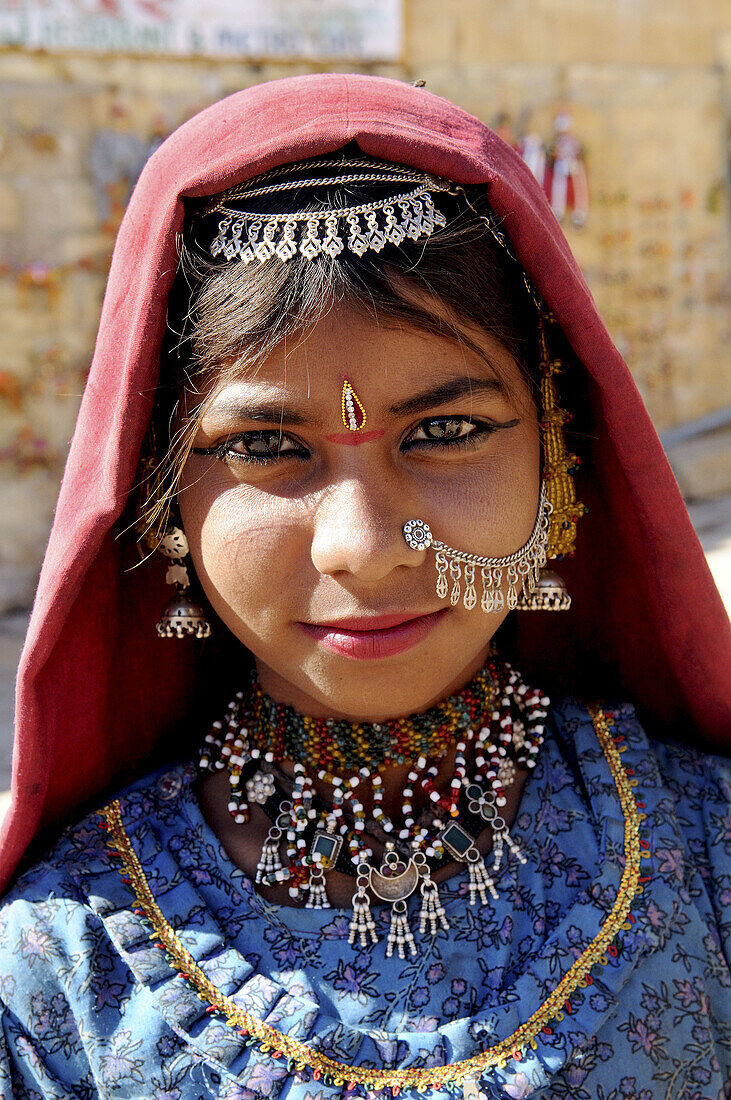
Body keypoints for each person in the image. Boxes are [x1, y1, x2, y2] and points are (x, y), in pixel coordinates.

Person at [0, 74, 728, 1100]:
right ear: (162, 491)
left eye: (442, 431)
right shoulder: (61, 974)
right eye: (262, 445)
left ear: (557, 456)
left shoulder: (706, 852)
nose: (362, 545)